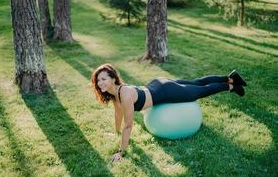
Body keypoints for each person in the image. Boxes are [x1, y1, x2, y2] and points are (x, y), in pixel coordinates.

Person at [91, 63, 247, 162]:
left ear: (113, 79)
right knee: (195, 83)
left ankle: (232, 86)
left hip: (165, 91)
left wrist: (121, 152)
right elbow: (118, 114)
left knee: (199, 90)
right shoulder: (114, 94)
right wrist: (116, 132)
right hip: (157, 83)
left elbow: (128, 126)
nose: (100, 83)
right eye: (98, 80)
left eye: (104, 79)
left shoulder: (124, 94)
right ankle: (231, 78)